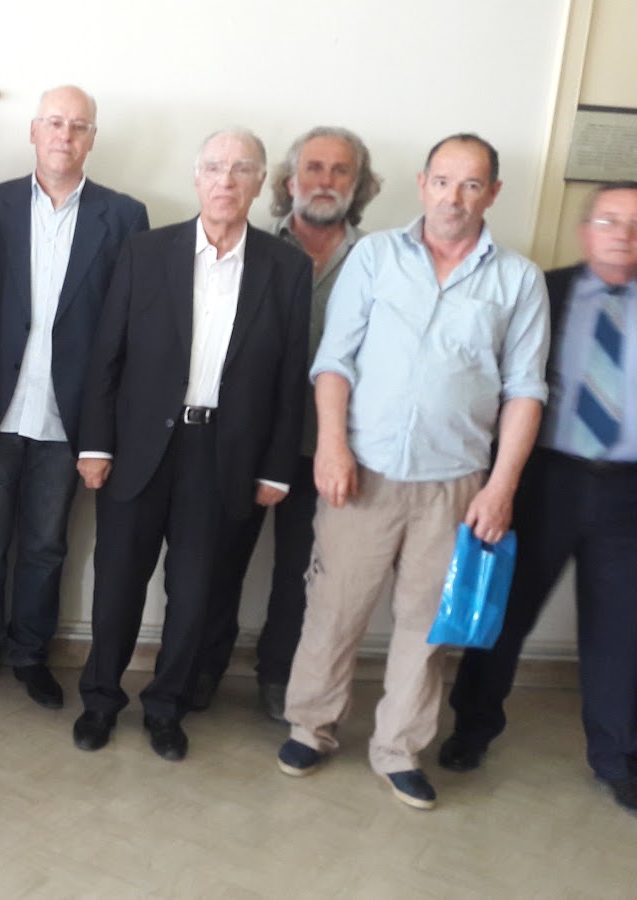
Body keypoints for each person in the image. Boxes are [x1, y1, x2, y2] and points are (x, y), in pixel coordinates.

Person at [278, 134, 549, 810]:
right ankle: (311, 727)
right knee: (333, 609)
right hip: (361, 470)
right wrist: (331, 447)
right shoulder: (374, 257)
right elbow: (334, 361)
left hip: (456, 483)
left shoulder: (518, 280)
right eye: (444, 181)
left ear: (492, 193)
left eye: (471, 184)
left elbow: (525, 390)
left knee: (429, 627)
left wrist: (501, 486)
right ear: (424, 184)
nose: (454, 198)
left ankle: (398, 750)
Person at [72, 129, 312, 760]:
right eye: (213, 167)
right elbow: (106, 356)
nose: (225, 180)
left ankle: (166, 707)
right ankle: (100, 700)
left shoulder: (286, 269)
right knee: (118, 583)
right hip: (139, 448)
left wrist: (277, 468)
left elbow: (291, 377)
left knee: (196, 592)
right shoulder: (146, 252)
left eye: (241, 169)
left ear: (261, 183)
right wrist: (95, 445)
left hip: (223, 454)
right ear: (196, 177)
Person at [0, 85, 148, 710]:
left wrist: (104, 433)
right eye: (54, 122)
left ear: (92, 139)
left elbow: (126, 329)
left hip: (70, 414)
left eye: (78, 125)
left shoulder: (124, 216)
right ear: (33, 131)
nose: (65, 135)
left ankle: (30, 654)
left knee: (46, 546)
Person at [438, 182, 637, 815]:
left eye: (635, 224)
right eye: (609, 221)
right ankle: (471, 731)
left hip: (629, 493)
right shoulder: (542, 291)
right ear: (585, 231)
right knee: (505, 615)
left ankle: (617, 758)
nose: (623, 235)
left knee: (622, 632)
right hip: (544, 479)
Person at [193, 127, 383, 721]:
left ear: (359, 185)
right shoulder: (250, 245)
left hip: (330, 446)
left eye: (341, 171)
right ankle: (203, 667)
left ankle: (279, 676)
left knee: (304, 572)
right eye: (314, 168)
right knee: (219, 559)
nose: (326, 181)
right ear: (288, 180)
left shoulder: (378, 260)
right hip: (246, 438)